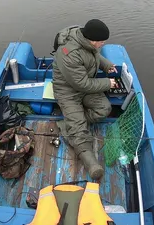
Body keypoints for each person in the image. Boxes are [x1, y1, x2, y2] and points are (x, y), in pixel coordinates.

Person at [52, 19, 118, 180]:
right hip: (68, 91)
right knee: (79, 129)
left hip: (85, 86)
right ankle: (91, 164)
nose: (102, 44)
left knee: (104, 109)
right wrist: (107, 83)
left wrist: (106, 65)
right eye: (101, 42)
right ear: (92, 40)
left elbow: (94, 55)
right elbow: (82, 84)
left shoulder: (88, 43)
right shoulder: (69, 53)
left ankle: (70, 125)